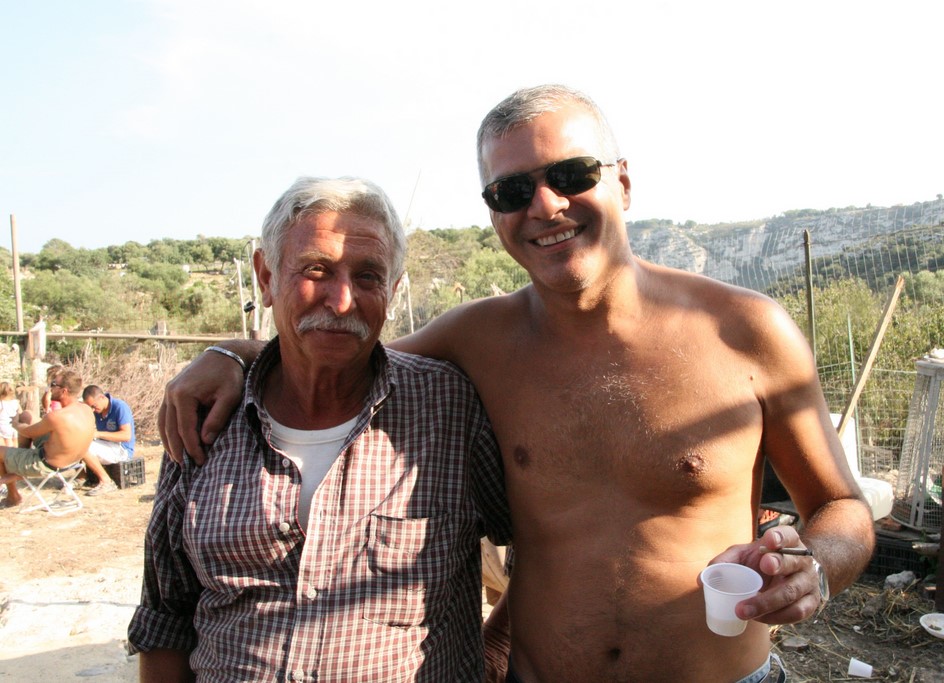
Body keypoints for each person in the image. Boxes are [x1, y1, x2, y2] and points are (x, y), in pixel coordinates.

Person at [160, 85, 875, 682]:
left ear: (623, 182)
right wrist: (232, 353)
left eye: (572, 174)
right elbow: (339, 349)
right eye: (511, 189)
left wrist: (814, 566)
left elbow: (842, 506)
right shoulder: (477, 342)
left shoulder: (745, 330)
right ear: (494, 212)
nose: (546, 205)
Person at [128, 177, 511, 682]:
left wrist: (494, 653)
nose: (342, 299)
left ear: (393, 290)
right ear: (266, 277)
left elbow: (546, 547)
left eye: (368, 276)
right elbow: (165, 615)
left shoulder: (450, 409)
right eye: (316, 270)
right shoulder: (207, 418)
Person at [0, 369, 97, 507]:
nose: (50, 388)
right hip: (72, 460)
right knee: (27, 415)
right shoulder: (86, 409)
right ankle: (18, 467)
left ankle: (13, 496)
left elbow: (27, 432)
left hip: (47, 464)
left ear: (64, 391)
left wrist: (15, 424)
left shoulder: (57, 417)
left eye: (53, 384)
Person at [0, 381, 21, 447]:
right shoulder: (15, 402)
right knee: (15, 441)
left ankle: (8, 453)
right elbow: (21, 412)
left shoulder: (1, 403)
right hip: (14, 425)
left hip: (4, 426)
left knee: (7, 443)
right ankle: (16, 452)